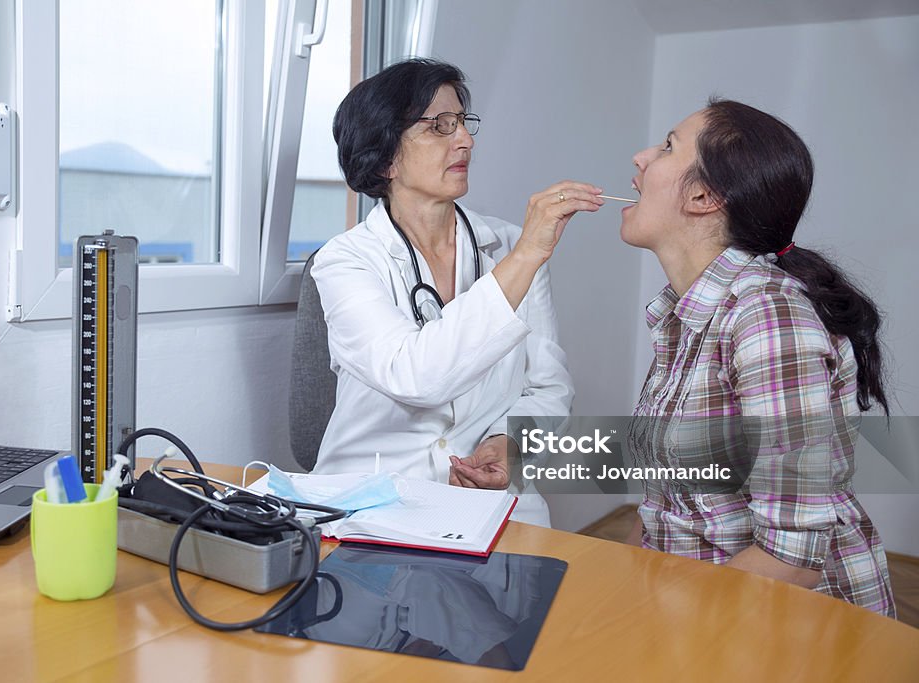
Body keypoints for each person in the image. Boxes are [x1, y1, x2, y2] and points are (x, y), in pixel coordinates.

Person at [621, 97, 895, 616]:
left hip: (783, 628)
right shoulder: (688, 314)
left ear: (703, 195)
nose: (640, 157)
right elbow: (666, 504)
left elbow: (791, 559)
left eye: (666, 147)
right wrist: (621, 588)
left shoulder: (766, 316)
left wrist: (643, 627)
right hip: (696, 609)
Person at [310, 58, 601, 526]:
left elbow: (548, 386)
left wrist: (510, 443)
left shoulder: (505, 245)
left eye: (463, 123)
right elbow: (418, 376)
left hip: (490, 504)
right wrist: (525, 256)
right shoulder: (346, 261)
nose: (464, 139)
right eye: (439, 127)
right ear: (385, 157)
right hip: (375, 504)